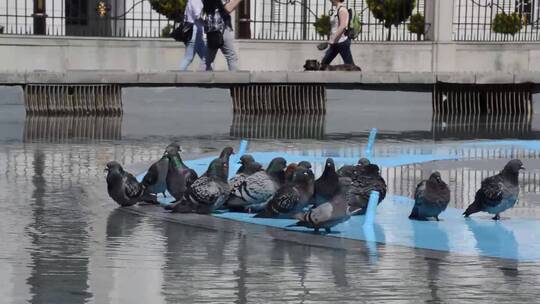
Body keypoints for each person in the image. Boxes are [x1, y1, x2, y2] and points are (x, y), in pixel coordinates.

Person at [202, 0, 243, 71]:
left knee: (207, 60)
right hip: (221, 28)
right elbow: (227, 8)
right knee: (231, 57)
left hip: (212, 28)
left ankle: (198, 78)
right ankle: (235, 79)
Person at [321, 0, 355, 68]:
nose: (330, 1)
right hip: (335, 42)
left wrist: (332, 39)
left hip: (342, 42)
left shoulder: (342, 10)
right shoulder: (336, 10)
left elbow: (342, 26)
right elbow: (335, 27)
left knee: (350, 66)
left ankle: (356, 77)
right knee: (324, 63)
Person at [180, 0, 207, 71]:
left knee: (207, 58)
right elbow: (198, 15)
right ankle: (177, 78)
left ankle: (209, 78)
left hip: (198, 34)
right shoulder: (196, 0)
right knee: (188, 58)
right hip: (194, 34)